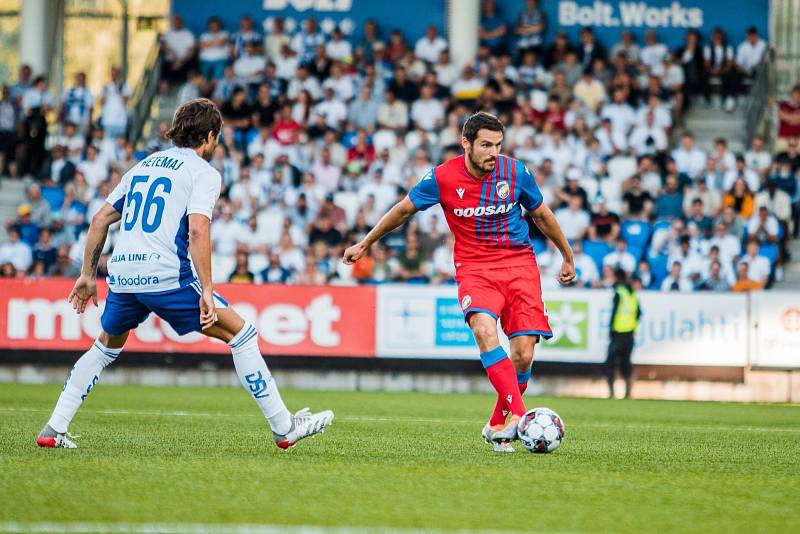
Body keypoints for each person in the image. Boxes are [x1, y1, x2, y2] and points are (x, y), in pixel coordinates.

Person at [37, 98, 332, 449]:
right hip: (165, 275)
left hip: (123, 275)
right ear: (208, 136)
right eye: (217, 137)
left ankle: (53, 429)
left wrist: (86, 275)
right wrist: (207, 289)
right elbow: (197, 231)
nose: (217, 143)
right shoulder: (203, 172)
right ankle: (284, 428)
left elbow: (100, 218)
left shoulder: (142, 167)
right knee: (242, 334)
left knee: (104, 347)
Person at [343, 112, 575, 453]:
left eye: (498, 145)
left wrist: (567, 256)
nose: (493, 152)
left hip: (519, 265)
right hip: (475, 268)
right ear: (466, 143)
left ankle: (499, 423)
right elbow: (404, 210)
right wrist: (366, 242)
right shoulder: (442, 177)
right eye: (485, 145)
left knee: (523, 354)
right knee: (483, 330)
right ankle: (523, 419)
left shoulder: (516, 172)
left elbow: (542, 214)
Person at [606, 268, 640, 398]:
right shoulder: (632, 294)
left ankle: (612, 392)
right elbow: (638, 313)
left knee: (610, 362)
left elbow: (614, 313)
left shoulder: (619, 293)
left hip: (618, 332)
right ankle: (628, 392)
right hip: (630, 333)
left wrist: (610, 329)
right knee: (625, 363)